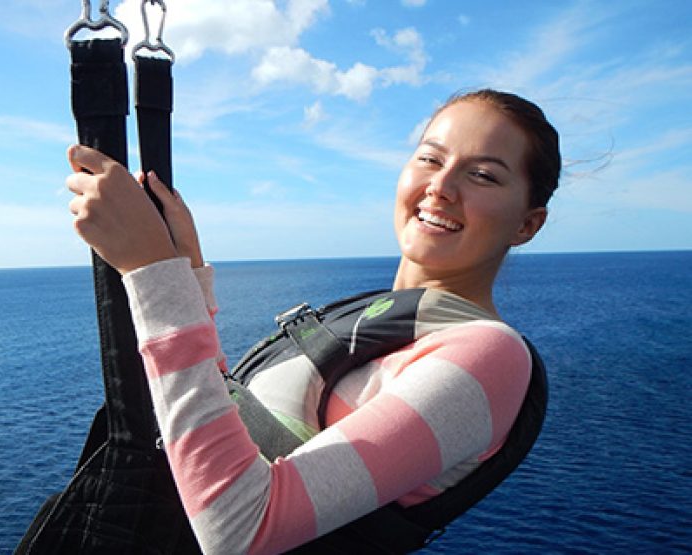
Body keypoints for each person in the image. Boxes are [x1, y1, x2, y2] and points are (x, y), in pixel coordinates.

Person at [57, 88, 559, 554]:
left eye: (484, 175)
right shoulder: (388, 321)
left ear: (526, 223)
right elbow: (223, 420)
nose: (441, 187)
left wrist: (153, 274)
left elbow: (243, 530)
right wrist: (187, 277)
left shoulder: (489, 356)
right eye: (430, 158)